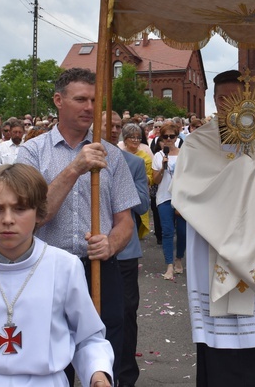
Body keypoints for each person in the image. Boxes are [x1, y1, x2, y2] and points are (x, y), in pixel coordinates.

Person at [0, 164, 114, 387]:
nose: (7, 219)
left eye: (20, 209)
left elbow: (88, 337)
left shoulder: (64, 266)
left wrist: (98, 374)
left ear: (38, 212)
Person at [172, 70, 255, 387]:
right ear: (214, 101)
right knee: (219, 353)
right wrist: (243, 178)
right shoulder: (198, 144)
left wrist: (244, 176)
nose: (229, 105)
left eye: (235, 98)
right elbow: (186, 196)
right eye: (222, 99)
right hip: (214, 253)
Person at [16, 68, 139, 386]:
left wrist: (111, 244)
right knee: (49, 355)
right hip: (47, 270)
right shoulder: (32, 152)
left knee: (104, 353)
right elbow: (33, 216)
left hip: (98, 269)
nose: (89, 107)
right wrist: (76, 167)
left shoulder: (111, 154)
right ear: (58, 101)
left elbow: (126, 221)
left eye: (94, 101)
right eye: (80, 99)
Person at [104, 113, 150, 387]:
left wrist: (120, 177)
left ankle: (125, 375)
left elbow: (143, 205)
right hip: (94, 248)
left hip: (125, 251)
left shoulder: (133, 162)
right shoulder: (86, 159)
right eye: (107, 125)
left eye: (117, 126)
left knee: (125, 313)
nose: (113, 130)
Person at [152, 121, 186, 280]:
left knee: (182, 232)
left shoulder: (185, 153)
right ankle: (169, 265)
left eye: (172, 136)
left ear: (177, 136)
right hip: (164, 197)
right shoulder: (158, 156)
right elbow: (156, 180)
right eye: (165, 137)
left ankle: (179, 258)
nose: (169, 139)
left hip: (182, 198)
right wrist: (162, 168)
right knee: (167, 232)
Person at [120, 123, 153, 239]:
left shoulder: (145, 156)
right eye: (132, 137)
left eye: (138, 138)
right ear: (125, 139)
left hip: (138, 195)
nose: (135, 140)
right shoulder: (119, 153)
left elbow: (151, 178)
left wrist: (141, 176)